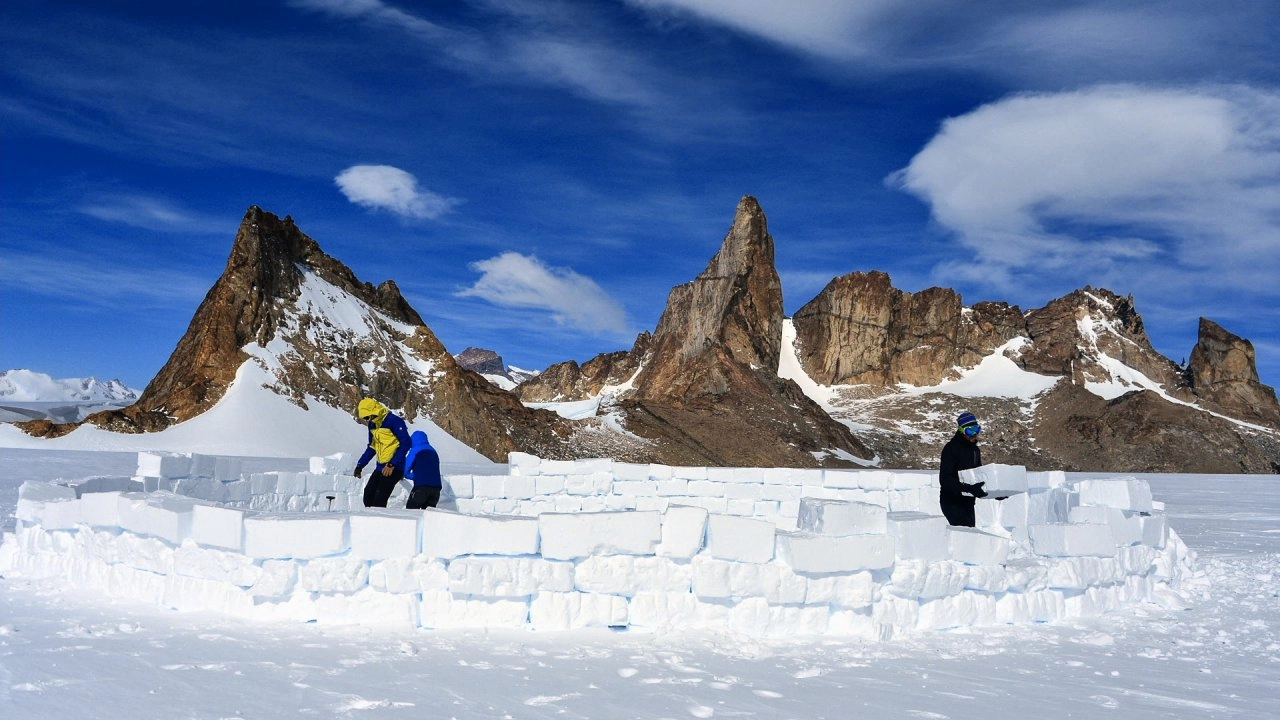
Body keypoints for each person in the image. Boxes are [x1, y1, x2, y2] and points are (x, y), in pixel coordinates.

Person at [353, 397, 411, 508]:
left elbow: (406, 443)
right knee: (368, 496)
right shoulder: (373, 424)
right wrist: (360, 465)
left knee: (379, 500)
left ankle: (380, 523)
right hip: (380, 467)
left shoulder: (394, 421)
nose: (367, 420)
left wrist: (392, 464)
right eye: (365, 418)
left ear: (374, 411)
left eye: (367, 416)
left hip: (394, 467)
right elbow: (372, 447)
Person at [938, 411, 988, 527]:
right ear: (961, 431)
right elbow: (945, 480)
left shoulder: (975, 450)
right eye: (970, 431)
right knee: (965, 539)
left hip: (968, 502)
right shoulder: (951, 448)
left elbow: (978, 477)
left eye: (976, 430)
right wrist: (969, 489)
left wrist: (995, 492)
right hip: (952, 502)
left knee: (970, 537)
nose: (974, 434)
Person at [404, 430, 443, 509]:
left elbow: (405, 470)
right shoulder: (433, 451)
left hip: (421, 489)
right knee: (428, 516)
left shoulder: (415, 450)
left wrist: (415, 476)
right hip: (436, 490)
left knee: (411, 512)